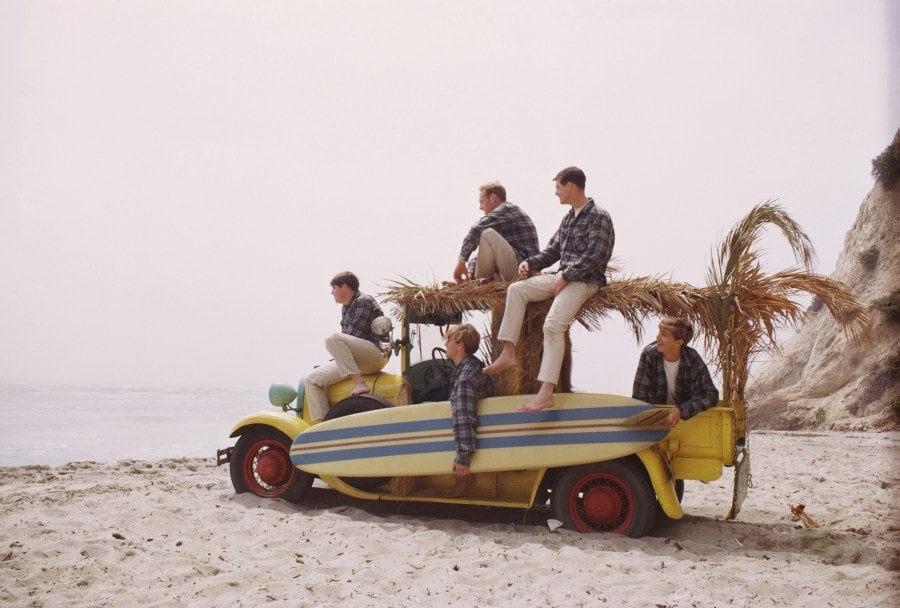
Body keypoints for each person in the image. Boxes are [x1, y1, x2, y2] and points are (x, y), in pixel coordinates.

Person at [484, 167, 615, 412]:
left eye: (558, 188)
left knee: (553, 324)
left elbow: (596, 256)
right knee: (517, 290)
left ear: (571, 186)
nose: (556, 194)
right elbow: (552, 251)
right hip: (561, 275)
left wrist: (568, 274)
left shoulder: (599, 216)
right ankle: (508, 352)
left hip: (584, 280)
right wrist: (530, 263)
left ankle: (546, 393)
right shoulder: (568, 219)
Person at [304, 272, 389, 422]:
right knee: (312, 380)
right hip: (357, 360)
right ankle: (322, 426)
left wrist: (338, 352)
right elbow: (347, 342)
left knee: (332, 338)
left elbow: (355, 336)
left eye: (334, 288)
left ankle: (360, 384)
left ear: (344, 287)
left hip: (375, 355)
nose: (331, 292)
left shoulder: (364, 301)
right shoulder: (346, 307)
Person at [632, 317, 719, 428]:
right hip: (655, 422)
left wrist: (681, 410)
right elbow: (639, 398)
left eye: (664, 334)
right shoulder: (649, 355)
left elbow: (710, 395)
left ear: (678, 342)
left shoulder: (692, 359)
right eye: (659, 332)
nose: (657, 337)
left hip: (687, 424)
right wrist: (648, 431)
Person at [453, 181, 540, 283]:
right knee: (482, 243)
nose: (480, 207)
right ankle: (471, 283)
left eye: (481, 202)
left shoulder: (508, 209)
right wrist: (469, 273)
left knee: (487, 234)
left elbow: (476, 229)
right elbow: (481, 254)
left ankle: (478, 285)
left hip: (524, 272)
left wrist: (462, 261)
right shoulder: (500, 222)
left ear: (493, 198)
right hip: (510, 271)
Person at [444, 324, 493, 497]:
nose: (445, 344)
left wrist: (463, 459)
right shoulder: (472, 366)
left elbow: (464, 416)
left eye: (449, 340)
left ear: (460, 345)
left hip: (471, 444)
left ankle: (464, 478)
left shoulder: (465, 377)